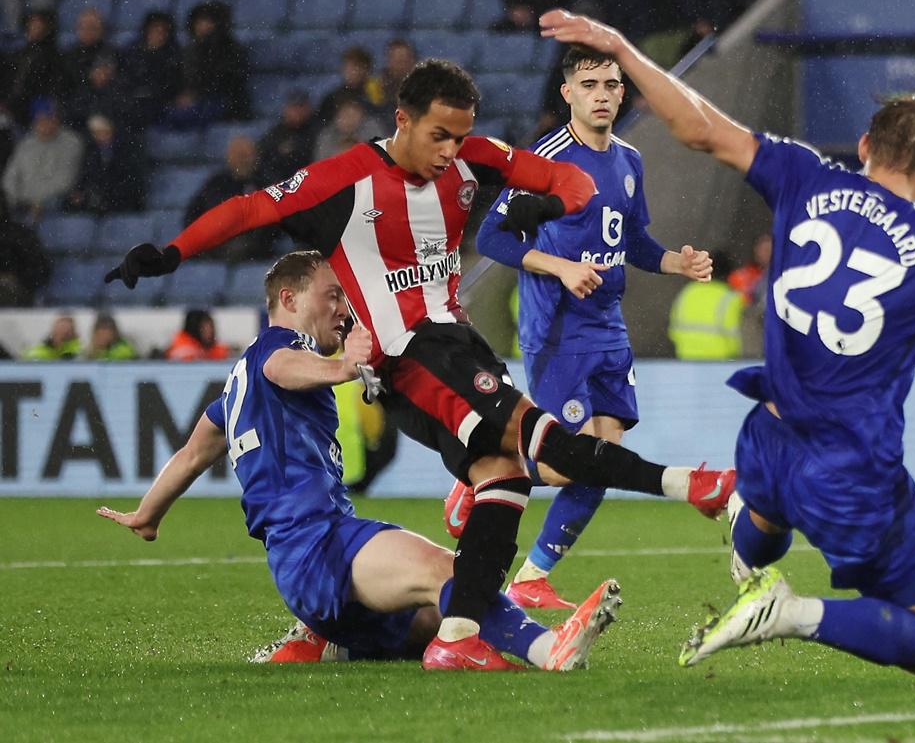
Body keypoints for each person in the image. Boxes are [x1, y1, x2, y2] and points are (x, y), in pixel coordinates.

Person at [103, 58, 735, 671]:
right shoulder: (344, 177)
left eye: (460, 136)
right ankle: (693, 486)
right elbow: (250, 209)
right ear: (402, 119)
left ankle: (460, 635)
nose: (449, 152)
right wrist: (171, 253)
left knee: (505, 474)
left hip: (453, 343)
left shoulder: (469, 155)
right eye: (438, 136)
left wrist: (567, 195)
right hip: (409, 353)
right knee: (543, 439)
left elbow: (546, 174)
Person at [541, 8, 915, 674]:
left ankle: (753, 556)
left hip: (765, 436)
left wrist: (623, 45)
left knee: (763, 527)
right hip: (849, 468)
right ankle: (792, 611)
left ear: (862, 146)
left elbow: (698, 128)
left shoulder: (804, 174)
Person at [98, 252, 620, 670]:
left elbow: (192, 455)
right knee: (453, 572)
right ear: (288, 297)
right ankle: (549, 648)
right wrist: (343, 366)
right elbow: (285, 367)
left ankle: (324, 643)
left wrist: (147, 516)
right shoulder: (275, 351)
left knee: (436, 619)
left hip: (308, 563)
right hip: (318, 544)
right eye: (331, 295)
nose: (342, 307)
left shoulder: (236, 387)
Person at [469, 45, 714, 609]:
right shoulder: (546, 161)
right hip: (557, 327)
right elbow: (492, 240)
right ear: (568, 94)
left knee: (605, 454)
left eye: (610, 84)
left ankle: (532, 576)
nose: (602, 94)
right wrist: (560, 266)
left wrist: (676, 261)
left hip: (608, 327)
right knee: (562, 463)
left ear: (622, 93)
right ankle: (479, 471)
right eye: (590, 85)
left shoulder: (629, 161)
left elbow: (631, 241)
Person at [2, 99, 85, 220]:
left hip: (53, 206)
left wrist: (36, 201)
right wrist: (14, 201)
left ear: (57, 119)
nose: (45, 124)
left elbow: (65, 181)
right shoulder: (26, 143)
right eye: (40, 119)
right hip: (22, 205)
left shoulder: (71, 142)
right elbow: (10, 178)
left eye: (49, 118)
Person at [667, 250, 743, 360]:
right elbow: (736, 338)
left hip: (686, 360)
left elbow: (673, 329)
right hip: (720, 362)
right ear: (729, 273)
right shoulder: (730, 298)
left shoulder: (688, 292)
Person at [166, 308, 230, 361]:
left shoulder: (211, 349)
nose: (210, 332)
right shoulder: (183, 351)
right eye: (205, 328)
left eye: (211, 327)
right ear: (195, 328)